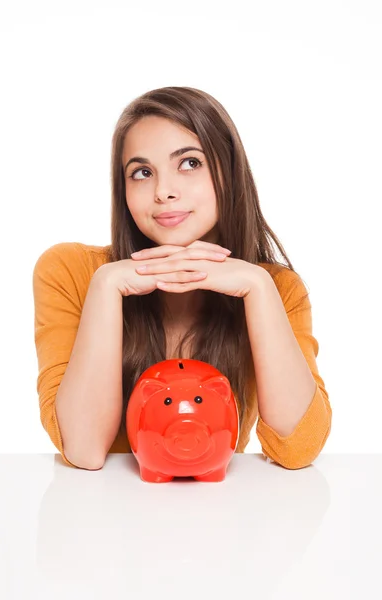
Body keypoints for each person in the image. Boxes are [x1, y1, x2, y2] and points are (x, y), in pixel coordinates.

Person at [32, 86, 332, 471]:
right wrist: (107, 288)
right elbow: (84, 450)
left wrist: (258, 289)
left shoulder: (275, 288)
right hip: (104, 522)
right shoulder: (72, 271)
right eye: (142, 173)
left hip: (219, 519)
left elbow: (297, 450)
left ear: (229, 170)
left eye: (189, 163)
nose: (163, 192)